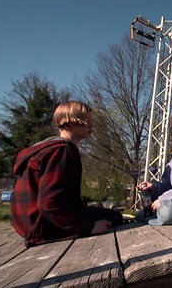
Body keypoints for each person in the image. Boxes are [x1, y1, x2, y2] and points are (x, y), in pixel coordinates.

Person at [11, 100, 123, 247]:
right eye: (86, 121)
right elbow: (50, 204)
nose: (92, 125)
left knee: (111, 215)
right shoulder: (61, 150)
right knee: (114, 218)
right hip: (42, 227)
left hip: (26, 224)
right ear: (68, 122)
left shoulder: (46, 148)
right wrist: (87, 227)